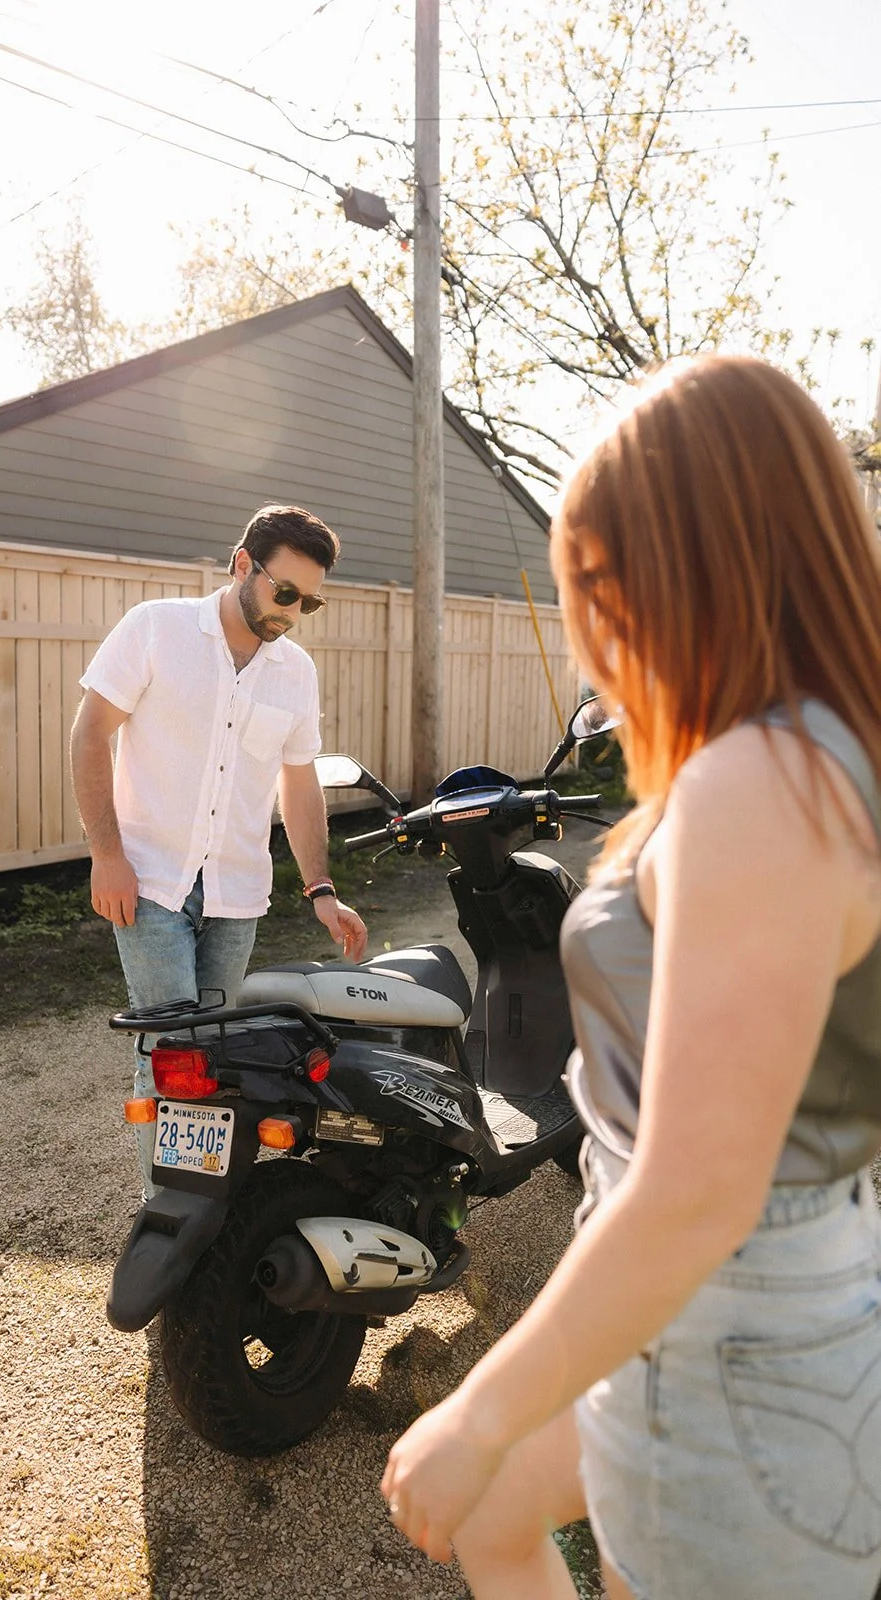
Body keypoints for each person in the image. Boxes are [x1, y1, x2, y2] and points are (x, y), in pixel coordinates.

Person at [379, 356, 881, 1600]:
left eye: (598, 583)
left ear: (703, 557)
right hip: (709, 1322)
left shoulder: (762, 784)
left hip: (731, 1351)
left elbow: (702, 1190)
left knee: (496, 1487)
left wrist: (477, 1408)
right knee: (501, 1520)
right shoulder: (804, 753)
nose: (587, 633)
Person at [70, 504, 368, 1199]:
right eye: (283, 592)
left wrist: (320, 889)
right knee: (173, 1051)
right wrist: (105, 854)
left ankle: (206, 1201)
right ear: (242, 564)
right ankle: (169, 1215)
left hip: (237, 893)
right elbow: (90, 735)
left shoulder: (294, 672)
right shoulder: (156, 629)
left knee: (217, 1055)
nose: (292, 611)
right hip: (147, 881)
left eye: (309, 601)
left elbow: (298, 784)